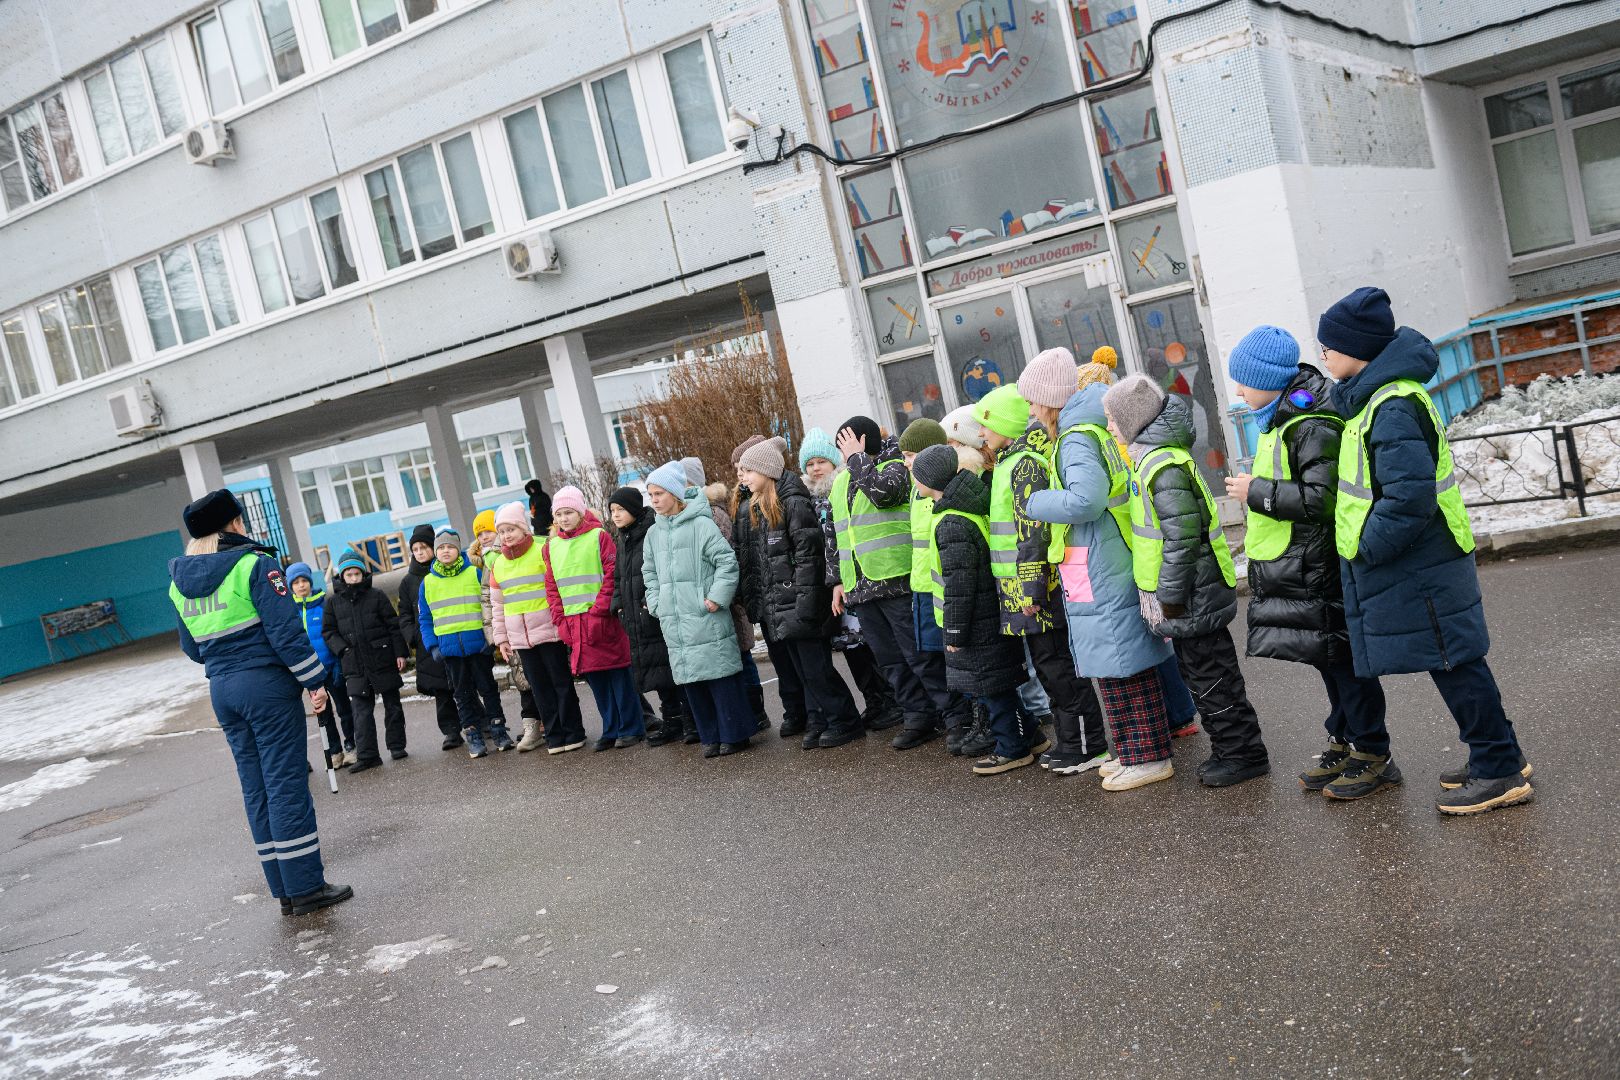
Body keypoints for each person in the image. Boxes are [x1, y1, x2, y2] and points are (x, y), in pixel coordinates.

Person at [1320, 286, 1533, 814]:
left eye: (1329, 344)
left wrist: (1367, 548)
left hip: (1420, 560)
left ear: (1359, 349)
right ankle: (1497, 753)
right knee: (1454, 659)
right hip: (1424, 558)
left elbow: (1408, 498)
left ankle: (1500, 767)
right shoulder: (1379, 400)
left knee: (1454, 661)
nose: (1322, 353)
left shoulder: (1390, 407)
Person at [1220, 325, 1391, 798]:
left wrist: (1256, 491)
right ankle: (1345, 738)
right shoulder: (1283, 417)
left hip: (1320, 566)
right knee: (1327, 659)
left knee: (1344, 662)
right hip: (1301, 565)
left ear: (1271, 380)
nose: (1238, 391)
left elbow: (1323, 498)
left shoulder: (1311, 422)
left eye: (1244, 381)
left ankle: (1373, 751)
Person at [169, 488, 351, 916]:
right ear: (233, 523)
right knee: (285, 784)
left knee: (256, 789)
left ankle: (284, 890)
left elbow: (192, 649)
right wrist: (315, 681)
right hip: (265, 689)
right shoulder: (255, 565)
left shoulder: (179, 583)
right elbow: (285, 634)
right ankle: (306, 887)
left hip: (223, 691)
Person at [1103, 375, 1271, 787]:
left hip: (1190, 595)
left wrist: (1170, 598)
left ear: (1133, 420)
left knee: (1213, 678)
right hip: (1189, 594)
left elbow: (1182, 539)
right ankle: (1233, 749)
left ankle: (1243, 754)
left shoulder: (1162, 467)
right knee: (1204, 677)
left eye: (1112, 419)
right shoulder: (1152, 460)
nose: (1108, 427)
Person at [1026, 381, 1180, 790]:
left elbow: (1086, 501)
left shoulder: (1076, 437)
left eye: (1031, 398)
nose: (1028, 407)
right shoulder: (1086, 430)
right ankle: (1133, 752)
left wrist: (1036, 501)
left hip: (1098, 558)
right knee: (1117, 660)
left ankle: (1147, 755)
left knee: (1121, 664)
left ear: (1049, 399)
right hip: (1098, 556)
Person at [975, 365, 1103, 773]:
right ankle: (1070, 739)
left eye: (986, 424)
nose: (981, 433)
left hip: (1036, 591)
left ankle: (1087, 743)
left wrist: (1032, 588)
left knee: (1060, 669)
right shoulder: (1009, 461)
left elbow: (1033, 532)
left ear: (1006, 425)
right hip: (1017, 590)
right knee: (1049, 671)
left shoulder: (1024, 464)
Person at [1075, 348, 1202, 744]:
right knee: (1161, 640)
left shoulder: (1115, 442)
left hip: (1136, 552)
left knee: (1160, 642)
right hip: (1137, 550)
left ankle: (1181, 716)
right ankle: (1181, 714)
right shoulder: (1118, 438)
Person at [830, 415, 968, 749]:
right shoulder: (841, 481)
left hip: (895, 578)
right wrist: (837, 578)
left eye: (845, 445)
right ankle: (917, 716)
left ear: (861, 442)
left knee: (920, 656)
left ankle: (956, 718)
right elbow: (835, 534)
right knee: (890, 660)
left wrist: (856, 460)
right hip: (861, 585)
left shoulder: (895, 466)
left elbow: (884, 494)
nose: (842, 453)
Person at [910, 445, 1035, 774]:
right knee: (1000, 682)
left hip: (975, 620)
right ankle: (1031, 736)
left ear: (930, 481)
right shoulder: (964, 508)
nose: (914, 482)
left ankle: (1012, 748)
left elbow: (959, 585)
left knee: (991, 688)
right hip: (987, 613)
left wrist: (953, 631)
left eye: (917, 476)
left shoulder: (951, 523)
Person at [738, 438, 863, 749]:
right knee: (805, 672)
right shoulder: (765, 504)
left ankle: (845, 720)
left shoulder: (792, 502)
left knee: (818, 670)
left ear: (767, 471)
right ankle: (824, 719)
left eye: (750, 470)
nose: (744, 476)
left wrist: (805, 605)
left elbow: (808, 559)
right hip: (785, 605)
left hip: (802, 604)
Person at [641, 461, 755, 757]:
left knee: (719, 676)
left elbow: (726, 562)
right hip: (675, 619)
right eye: (651, 494)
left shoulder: (701, 524)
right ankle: (711, 736)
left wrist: (717, 597)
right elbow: (649, 573)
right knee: (693, 680)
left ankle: (735, 733)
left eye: (659, 493)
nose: (653, 500)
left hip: (706, 613)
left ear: (676, 494)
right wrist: (657, 603)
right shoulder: (653, 534)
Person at [801, 427, 902, 733]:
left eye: (822, 461)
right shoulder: (809, 497)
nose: (816, 468)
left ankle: (890, 701)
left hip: (863, 576)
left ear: (834, 462)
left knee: (871, 645)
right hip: (842, 580)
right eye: (810, 463)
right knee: (851, 648)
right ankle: (874, 701)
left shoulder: (845, 485)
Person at [541, 486, 644, 750]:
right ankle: (611, 728)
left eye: (569, 512)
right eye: (559, 514)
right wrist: (560, 620)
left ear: (580, 512)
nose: (564, 518)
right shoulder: (551, 546)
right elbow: (551, 587)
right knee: (596, 680)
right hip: (574, 625)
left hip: (602, 619)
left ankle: (631, 727)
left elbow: (611, 575)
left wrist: (600, 610)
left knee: (618, 674)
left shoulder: (598, 536)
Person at [487, 501, 588, 754]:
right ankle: (554, 736)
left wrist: (562, 621)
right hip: (521, 638)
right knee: (540, 689)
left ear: (523, 529)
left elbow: (557, 589)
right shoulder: (497, 564)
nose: (507, 535)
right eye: (502, 531)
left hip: (549, 631)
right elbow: (497, 606)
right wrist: (502, 638)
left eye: (511, 529)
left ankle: (573, 732)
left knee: (561, 684)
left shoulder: (544, 549)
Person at [418, 529, 515, 758]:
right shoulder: (428, 583)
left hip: (478, 646)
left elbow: (488, 604)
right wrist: (433, 646)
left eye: (450, 547)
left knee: (488, 689)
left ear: (458, 549)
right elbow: (425, 618)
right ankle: (473, 736)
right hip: (450, 651)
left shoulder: (474, 572)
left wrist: (489, 639)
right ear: (435, 552)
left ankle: (498, 729)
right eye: (441, 547)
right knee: (462, 695)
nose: (445, 551)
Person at [729, 438, 800, 737]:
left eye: (744, 468)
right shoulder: (743, 504)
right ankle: (794, 710)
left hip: (782, 595)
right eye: (737, 469)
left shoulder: (777, 498)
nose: (740, 475)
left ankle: (803, 710)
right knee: (781, 660)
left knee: (795, 658)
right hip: (761, 595)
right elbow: (743, 552)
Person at [607, 486, 686, 747]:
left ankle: (684, 719)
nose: (616, 516)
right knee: (657, 673)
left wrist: (647, 604)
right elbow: (619, 577)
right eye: (612, 511)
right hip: (634, 616)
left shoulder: (650, 531)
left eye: (620, 510)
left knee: (668, 668)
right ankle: (673, 721)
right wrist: (618, 606)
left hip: (651, 613)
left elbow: (657, 571)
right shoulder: (624, 538)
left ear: (633, 509)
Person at [323, 549, 411, 771]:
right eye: (349, 574)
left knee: (392, 706)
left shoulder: (377, 596)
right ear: (342, 576)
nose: (353, 578)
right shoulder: (333, 602)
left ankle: (397, 746)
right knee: (360, 711)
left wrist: (400, 653)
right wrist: (342, 649)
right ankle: (368, 754)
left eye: (357, 574)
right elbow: (329, 632)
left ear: (363, 574)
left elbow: (393, 625)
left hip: (382, 658)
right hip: (354, 664)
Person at [470, 508, 540, 744]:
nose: (485, 537)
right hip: (509, 629)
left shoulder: (506, 555)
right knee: (521, 677)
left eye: (489, 531)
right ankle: (532, 724)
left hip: (529, 624)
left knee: (536, 675)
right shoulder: (486, 563)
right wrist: (495, 636)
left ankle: (545, 722)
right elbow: (488, 601)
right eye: (480, 535)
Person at [398, 524, 462, 751]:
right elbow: (404, 613)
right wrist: (412, 636)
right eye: (415, 549)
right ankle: (451, 731)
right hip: (427, 641)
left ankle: (477, 721)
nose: (420, 552)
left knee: (462, 683)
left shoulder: (443, 571)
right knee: (441, 690)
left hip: (452, 632)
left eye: (424, 547)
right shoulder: (408, 581)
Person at [287, 562, 355, 768]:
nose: (301, 586)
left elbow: (335, 632)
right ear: (290, 587)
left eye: (304, 581)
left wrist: (338, 663)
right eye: (296, 582)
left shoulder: (324, 603)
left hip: (331, 668)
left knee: (344, 708)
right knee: (323, 714)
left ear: (310, 582)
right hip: (310, 674)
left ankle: (352, 745)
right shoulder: (289, 610)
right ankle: (335, 751)